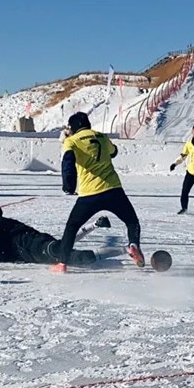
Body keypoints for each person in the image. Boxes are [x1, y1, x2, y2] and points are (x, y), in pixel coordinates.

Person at [56, 111, 144, 273]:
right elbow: (114, 152)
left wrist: (69, 187)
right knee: (132, 221)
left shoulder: (71, 141)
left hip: (90, 194)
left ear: (73, 127)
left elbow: (67, 163)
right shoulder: (102, 136)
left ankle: (62, 263)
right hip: (113, 189)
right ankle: (133, 246)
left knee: (72, 227)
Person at [0, 204, 118, 264]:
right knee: (63, 248)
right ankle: (95, 225)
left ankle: (126, 250)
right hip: (38, 245)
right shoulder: (3, 224)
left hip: (37, 248)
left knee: (74, 257)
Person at [59, 125, 77, 195]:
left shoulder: (75, 134)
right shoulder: (64, 133)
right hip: (65, 155)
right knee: (66, 173)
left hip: (74, 155)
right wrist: (66, 134)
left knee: (73, 173)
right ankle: (67, 188)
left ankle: (72, 188)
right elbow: (61, 140)